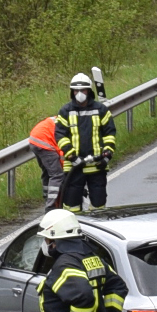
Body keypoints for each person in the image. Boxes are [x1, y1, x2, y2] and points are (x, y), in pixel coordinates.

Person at [55, 72, 118, 212]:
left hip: (97, 166)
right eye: (76, 90)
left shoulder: (101, 110)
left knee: (99, 205)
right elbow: (60, 135)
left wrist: (107, 154)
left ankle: (96, 230)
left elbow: (109, 133)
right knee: (72, 205)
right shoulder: (65, 111)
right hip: (74, 167)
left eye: (82, 90)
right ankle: (75, 229)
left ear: (89, 91)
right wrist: (71, 156)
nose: (79, 94)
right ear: (72, 92)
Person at [29, 115, 65, 205]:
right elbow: (62, 155)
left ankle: (46, 196)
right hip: (45, 142)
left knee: (47, 172)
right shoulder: (70, 130)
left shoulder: (64, 118)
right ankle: (51, 205)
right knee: (57, 175)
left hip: (35, 139)